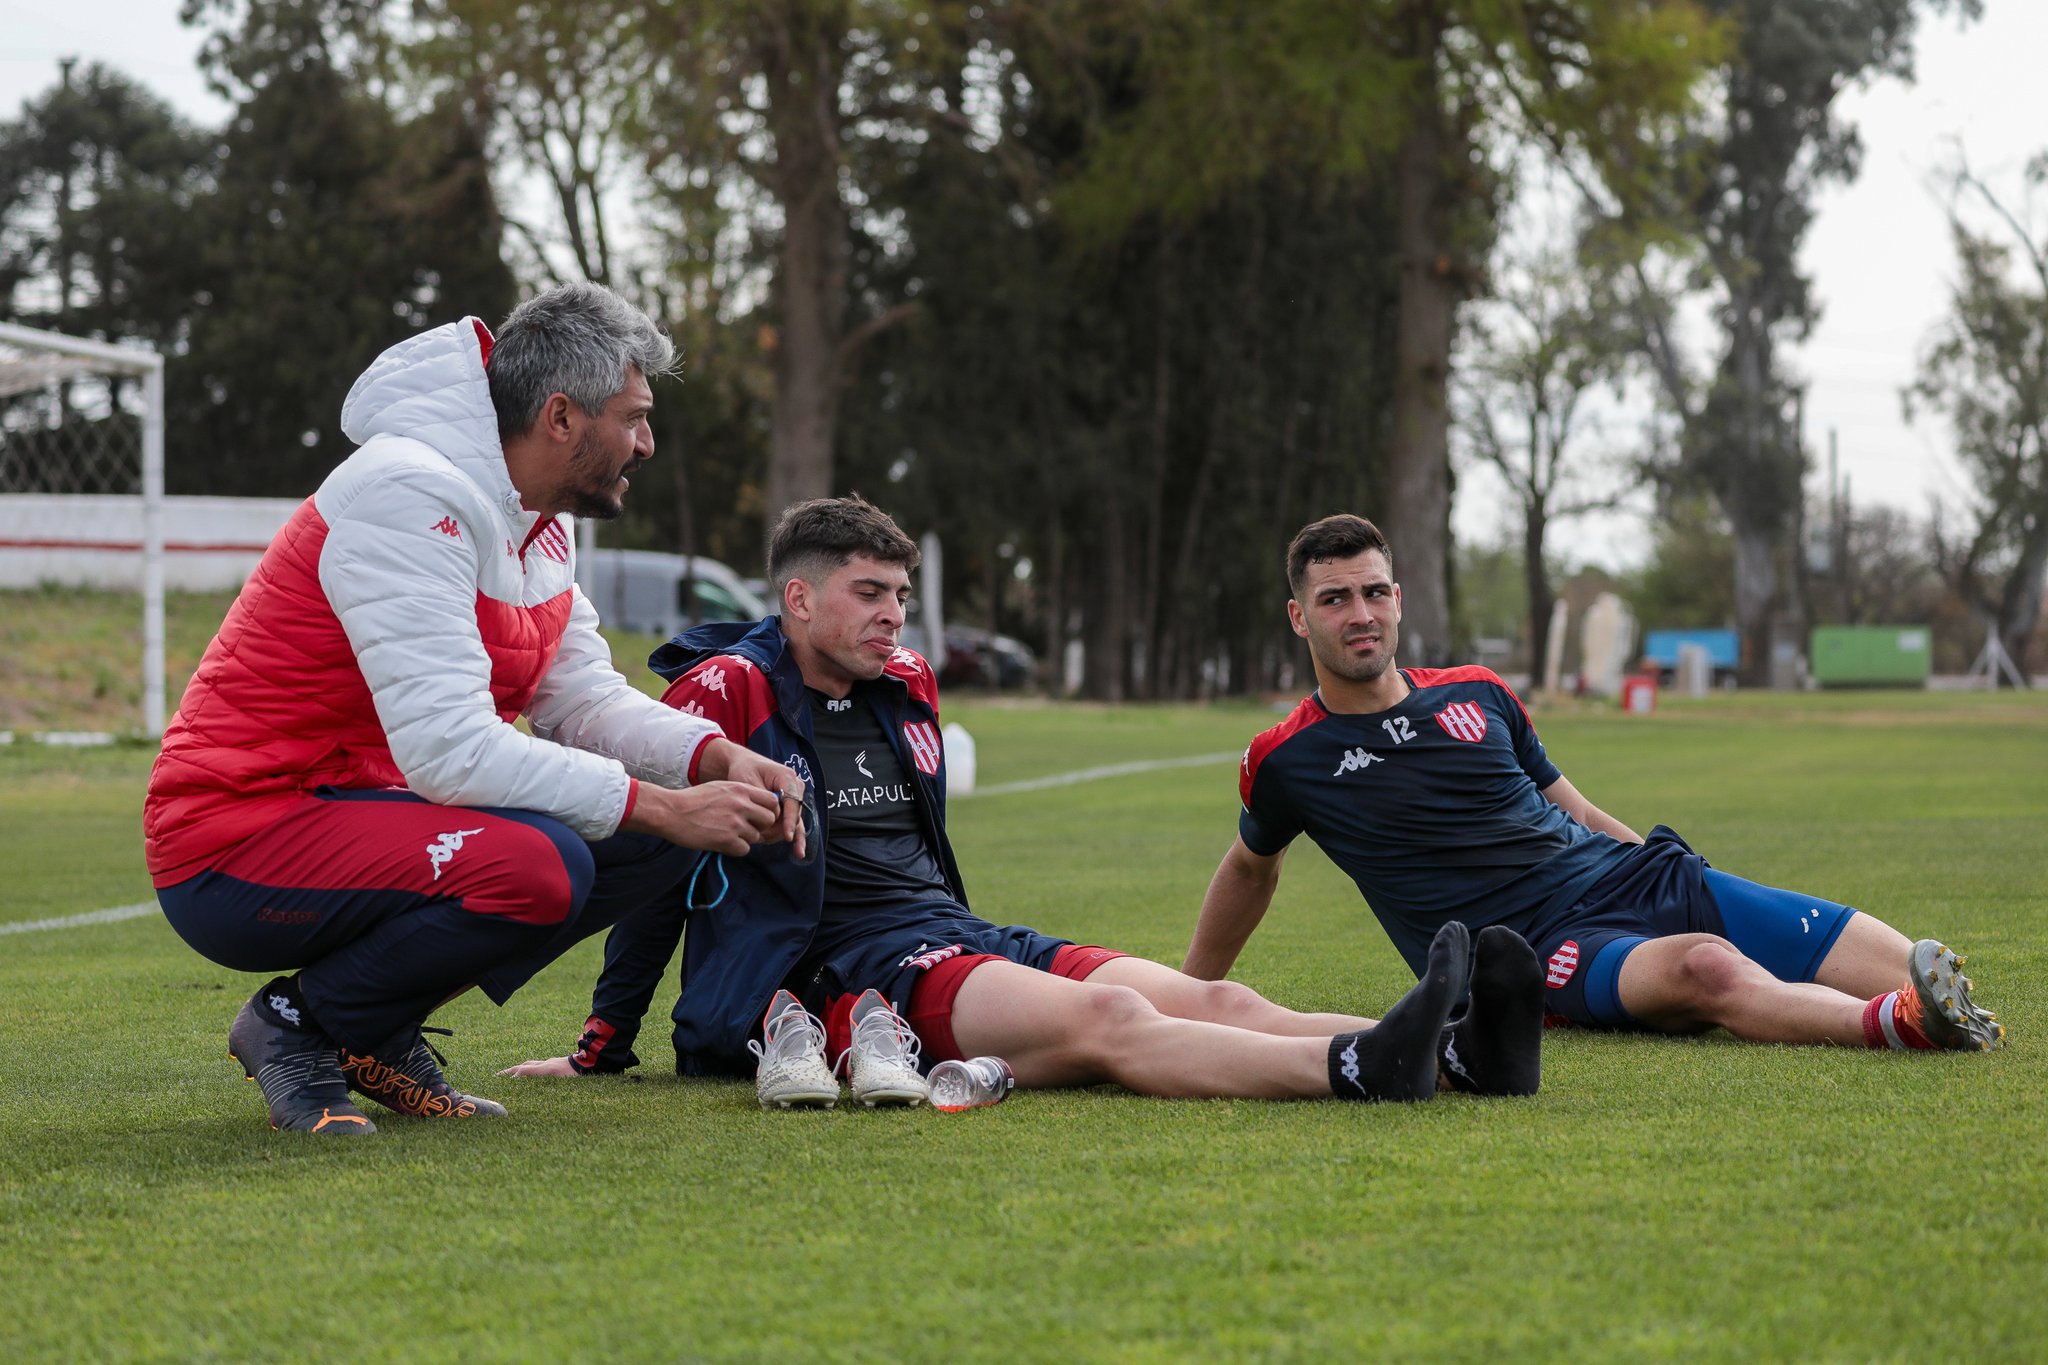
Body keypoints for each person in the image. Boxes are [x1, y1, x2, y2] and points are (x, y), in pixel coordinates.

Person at [502, 496, 1547, 1106]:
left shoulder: (904, 682)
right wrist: (604, 1042)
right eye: (868, 595)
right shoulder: (720, 696)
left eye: (898, 596)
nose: (891, 619)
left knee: (1216, 998)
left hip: (946, 932)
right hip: (836, 971)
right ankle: (1354, 1070)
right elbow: (657, 865)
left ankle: (1456, 1055)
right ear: (798, 598)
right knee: (1109, 1018)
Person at [146, 283, 805, 1136]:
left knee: (654, 845)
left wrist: (712, 758)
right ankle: (299, 1024)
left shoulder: (540, 518)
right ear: (561, 417)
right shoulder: (409, 495)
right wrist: (671, 804)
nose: (646, 442)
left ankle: (371, 1029)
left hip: (364, 812)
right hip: (234, 835)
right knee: (544, 863)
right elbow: (450, 749)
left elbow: (582, 698)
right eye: (634, 416)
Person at [1183, 513, 2005, 1055]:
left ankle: (1951, 1004)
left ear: (1397, 600)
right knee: (1708, 969)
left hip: (1627, 875)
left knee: (1795, 921)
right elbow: (1250, 867)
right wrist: (1191, 992)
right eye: (1334, 599)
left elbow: (1571, 808)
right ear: (1301, 618)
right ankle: (1894, 1023)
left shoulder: (1479, 692)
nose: (1358, 613)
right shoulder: (1289, 757)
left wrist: (1671, 871)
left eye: (1372, 592)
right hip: (1540, 947)